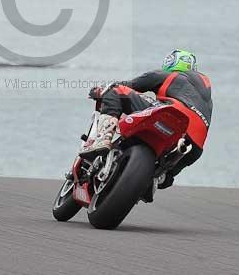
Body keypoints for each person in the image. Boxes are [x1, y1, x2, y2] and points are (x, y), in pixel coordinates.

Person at [80, 49, 212, 189]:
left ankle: (103, 139)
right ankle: (158, 178)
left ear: (171, 62)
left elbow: (129, 85)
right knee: (164, 179)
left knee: (116, 91)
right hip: (195, 146)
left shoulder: (168, 75)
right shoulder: (208, 100)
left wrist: (101, 90)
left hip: (171, 115)